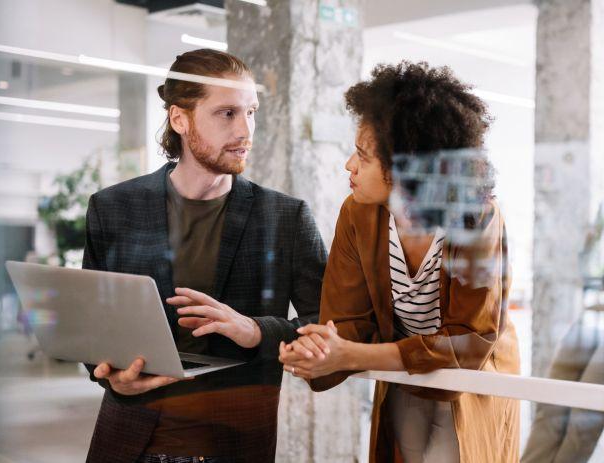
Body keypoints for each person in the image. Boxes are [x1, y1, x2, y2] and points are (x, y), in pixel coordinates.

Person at [82, 49, 327, 463]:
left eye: (251, 112)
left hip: (232, 444)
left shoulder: (286, 217)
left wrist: (256, 330)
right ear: (180, 119)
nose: (245, 129)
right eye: (227, 113)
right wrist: (109, 376)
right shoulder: (113, 207)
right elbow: (94, 326)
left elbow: (331, 324)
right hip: (128, 442)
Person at [279, 62, 520, 463]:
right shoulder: (358, 214)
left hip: (471, 379)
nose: (349, 167)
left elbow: (468, 342)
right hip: (404, 372)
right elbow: (347, 319)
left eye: (362, 156)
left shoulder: (477, 217)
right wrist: (320, 350)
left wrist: (353, 356)